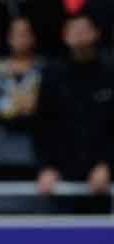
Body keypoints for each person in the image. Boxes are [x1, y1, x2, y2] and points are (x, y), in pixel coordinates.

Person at [35, 12, 114, 196]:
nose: (79, 34)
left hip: (103, 174)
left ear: (96, 33)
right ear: (65, 35)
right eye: (74, 29)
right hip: (59, 174)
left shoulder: (110, 73)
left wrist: (108, 165)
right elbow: (42, 125)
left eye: (84, 29)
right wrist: (46, 167)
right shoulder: (52, 74)